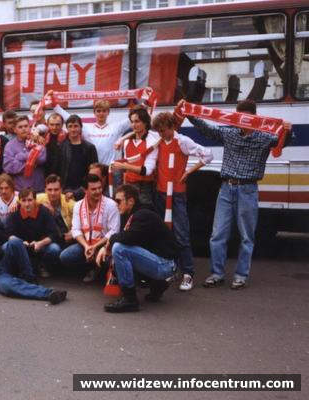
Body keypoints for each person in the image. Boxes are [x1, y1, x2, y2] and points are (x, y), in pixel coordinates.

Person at [181, 99, 293, 289]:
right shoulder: (229, 132)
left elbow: (281, 143)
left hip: (248, 189)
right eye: (238, 116)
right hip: (226, 187)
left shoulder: (265, 137)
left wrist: (288, 130)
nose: (240, 120)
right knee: (218, 234)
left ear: (254, 117)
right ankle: (217, 274)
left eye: (244, 117)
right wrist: (189, 113)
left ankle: (241, 276)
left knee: (246, 236)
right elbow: (207, 129)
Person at [151, 112, 214, 291]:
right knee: (165, 234)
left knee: (181, 234)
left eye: (163, 130)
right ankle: (172, 269)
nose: (161, 134)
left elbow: (207, 155)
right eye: (159, 131)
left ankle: (188, 273)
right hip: (160, 193)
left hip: (177, 194)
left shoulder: (183, 141)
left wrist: (189, 171)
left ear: (172, 127)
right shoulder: (159, 140)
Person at [104, 185, 179, 313]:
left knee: (119, 249)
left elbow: (129, 238)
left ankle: (130, 300)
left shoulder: (143, 215)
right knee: (118, 259)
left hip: (164, 264)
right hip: (160, 260)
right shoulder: (132, 214)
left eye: (119, 201)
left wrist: (110, 241)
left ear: (131, 201)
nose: (116, 205)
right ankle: (158, 284)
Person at [60, 174, 120, 283]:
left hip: (105, 245)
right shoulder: (78, 205)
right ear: (85, 190)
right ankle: (90, 268)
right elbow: (76, 230)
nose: (98, 191)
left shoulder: (111, 205)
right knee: (65, 256)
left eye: (99, 188)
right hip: (86, 243)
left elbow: (114, 231)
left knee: (108, 261)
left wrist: (95, 246)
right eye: (93, 189)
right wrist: (87, 246)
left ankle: (101, 271)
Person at [6, 188, 62, 278]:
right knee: (6, 247)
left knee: (54, 249)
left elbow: (53, 234)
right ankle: (16, 269)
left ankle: (43, 266)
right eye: (24, 201)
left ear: (35, 200)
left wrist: (40, 243)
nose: (27, 204)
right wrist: (19, 243)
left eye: (30, 200)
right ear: (19, 201)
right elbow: (8, 234)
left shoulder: (44, 211)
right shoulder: (14, 212)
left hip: (40, 246)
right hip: (22, 246)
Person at [111, 105, 160, 206]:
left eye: (137, 121)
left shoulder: (152, 140)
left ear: (145, 122)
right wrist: (124, 187)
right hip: (129, 185)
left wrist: (123, 166)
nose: (133, 125)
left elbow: (147, 171)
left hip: (144, 187)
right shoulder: (126, 141)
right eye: (132, 122)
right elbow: (125, 170)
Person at [3, 115, 47, 192]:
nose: (24, 129)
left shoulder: (38, 140)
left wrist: (20, 156)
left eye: (26, 126)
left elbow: (42, 158)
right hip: (20, 191)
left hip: (38, 189)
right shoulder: (10, 145)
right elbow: (9, 167)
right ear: (14, 130)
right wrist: (32, 163)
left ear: (29, 127)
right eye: (20, 127)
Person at [58, 115, 99, 194]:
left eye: (76, 126)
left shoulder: (90, 148)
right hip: (65, 189)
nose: (73, 129)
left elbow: (94, 171)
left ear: (81, 128)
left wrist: (84, 188)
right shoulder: (61, 147)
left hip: (84, 189)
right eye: (70, 126)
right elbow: (58, 170)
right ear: (66, 128)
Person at [36, 174, 75, 250]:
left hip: (66, 238)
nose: (53, 193)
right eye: (49, 190)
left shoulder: (69, 203)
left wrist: (73, 232)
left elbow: (82, 221)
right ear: (45, 190)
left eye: (56, 189)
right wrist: (16, 203)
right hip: (47, 238)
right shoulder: (40, 198)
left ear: (61, 190)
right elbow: (22, 197)